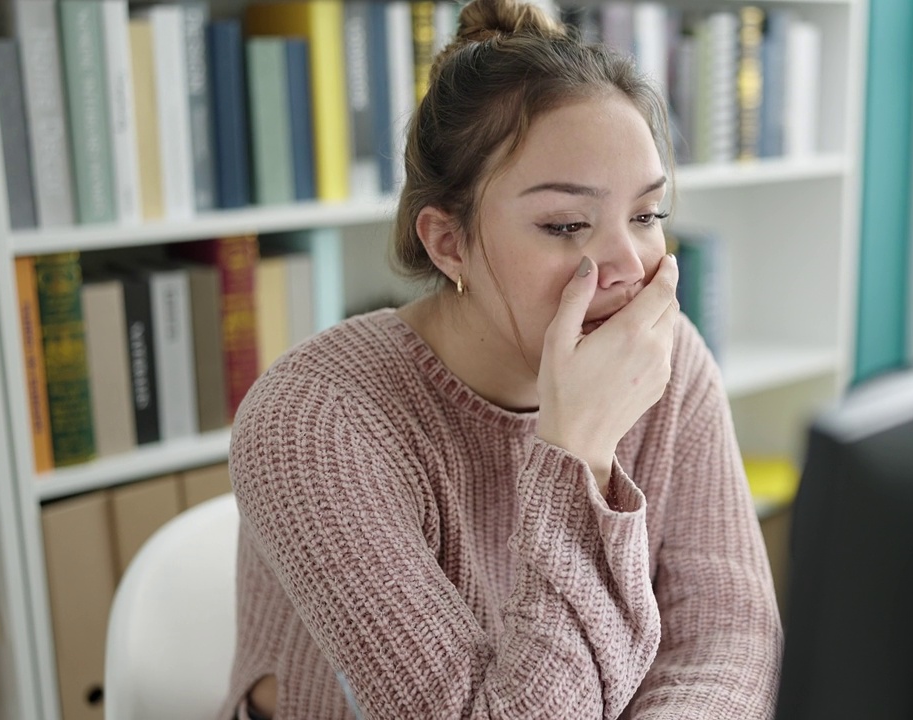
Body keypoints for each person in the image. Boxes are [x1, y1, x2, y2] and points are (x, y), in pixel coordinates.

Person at [219, 0, 781, 717]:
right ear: (448, 243)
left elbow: (729, 642)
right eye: (566, 225)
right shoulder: (314, 421)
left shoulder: (668, 363)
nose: (629, 265)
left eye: (646, 215)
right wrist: (578, 453)